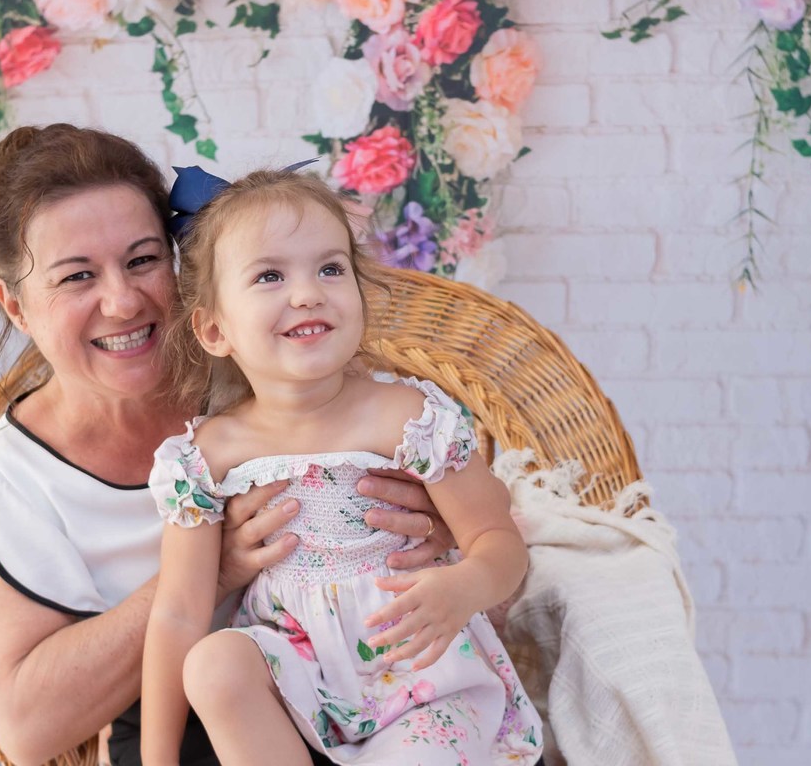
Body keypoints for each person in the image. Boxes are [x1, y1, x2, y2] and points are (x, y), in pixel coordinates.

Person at [0, 124, 456, 766]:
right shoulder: (8, 476)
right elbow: (24, 729)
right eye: (77, 277)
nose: (123, 301)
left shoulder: (261, 374)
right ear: (14, 305)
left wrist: (433, 532)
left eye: (142, 260)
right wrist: (210, 568)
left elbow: (427, 474)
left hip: (377, 698)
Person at [141, 168, 543, 765]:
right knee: (214, 662)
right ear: (215, 329)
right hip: (302, 678)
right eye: (270, 275)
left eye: (330, 269)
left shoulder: (407, 418)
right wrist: (157, 758)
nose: (307, 292)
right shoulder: (207, 456)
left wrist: (467, 584)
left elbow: (499, 540)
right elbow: (177, 612)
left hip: (421, 679)